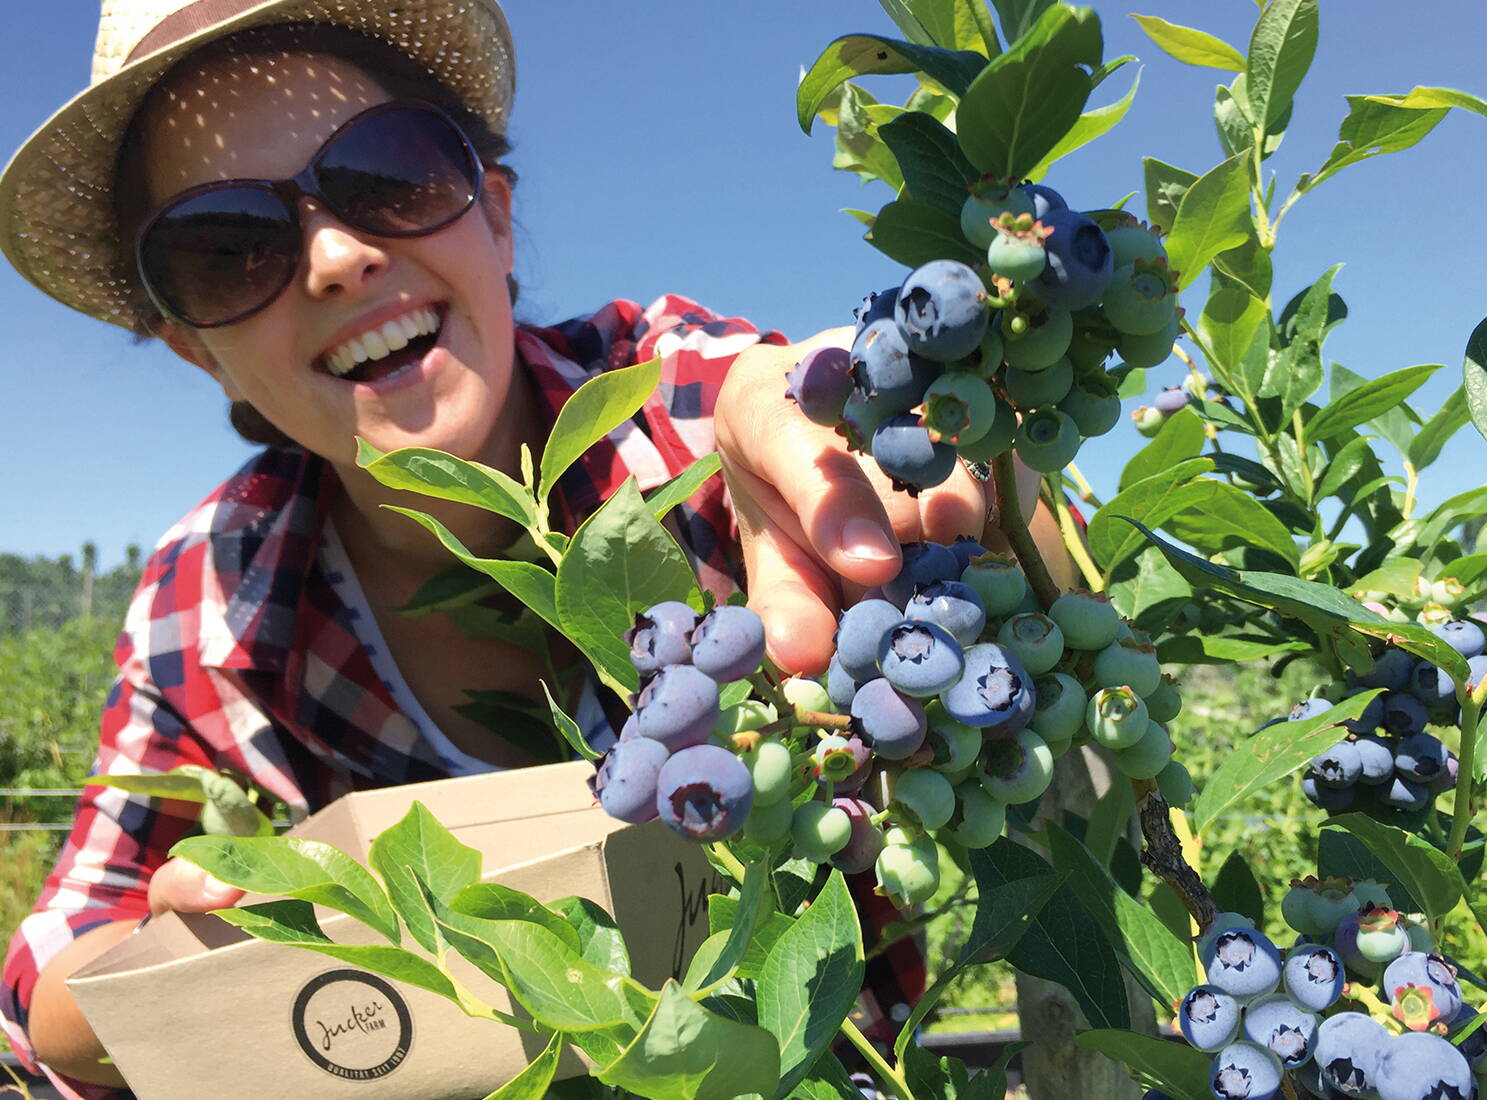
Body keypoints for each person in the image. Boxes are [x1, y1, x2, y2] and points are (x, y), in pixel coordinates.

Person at [0, 2, 1067, 1096]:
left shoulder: (687, 415)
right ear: (196, 350)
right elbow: (56, 966)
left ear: (495, 219)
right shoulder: (212, 589)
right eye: (225, 250)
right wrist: (197, 958)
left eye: (387, 174)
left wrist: (945, 443)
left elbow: (1019, 552)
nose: (334, 257)